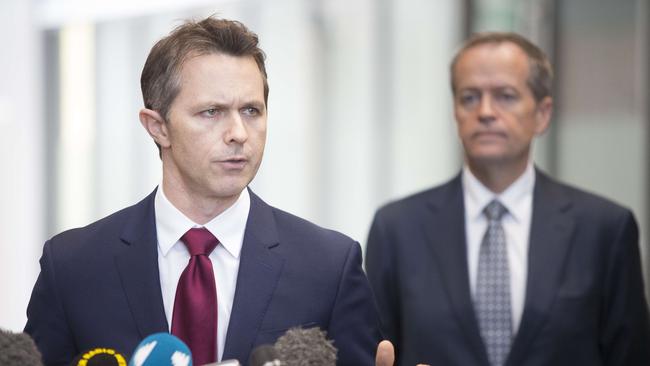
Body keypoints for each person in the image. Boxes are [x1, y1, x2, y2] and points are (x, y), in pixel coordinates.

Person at [25, 17, 381, 366]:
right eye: (212, 112)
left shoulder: (329, 267)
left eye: (251, 111)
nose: (239, 133)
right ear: (157, 127)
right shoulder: (74, 266)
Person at [365, 32, 650, 366]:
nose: (485, 111)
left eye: (506, 96)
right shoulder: (397, 228)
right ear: (455, 112)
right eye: (469, 97)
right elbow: (376, 353)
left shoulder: (604, 229)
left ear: (542, 114)